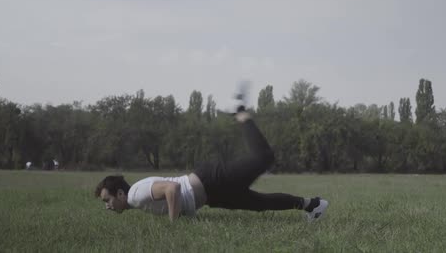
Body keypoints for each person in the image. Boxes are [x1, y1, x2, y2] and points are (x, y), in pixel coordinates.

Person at [94, 88, 329, 222]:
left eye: (108, 200)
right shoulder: (135, 200)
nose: (108, 205)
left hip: (211, 180)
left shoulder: (135, 194)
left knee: (265, 158)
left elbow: (172, 189)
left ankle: (240, 112)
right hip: (213, 195)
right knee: (260, 203)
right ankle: (313, 205)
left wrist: (174, 225)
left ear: (120, 192)